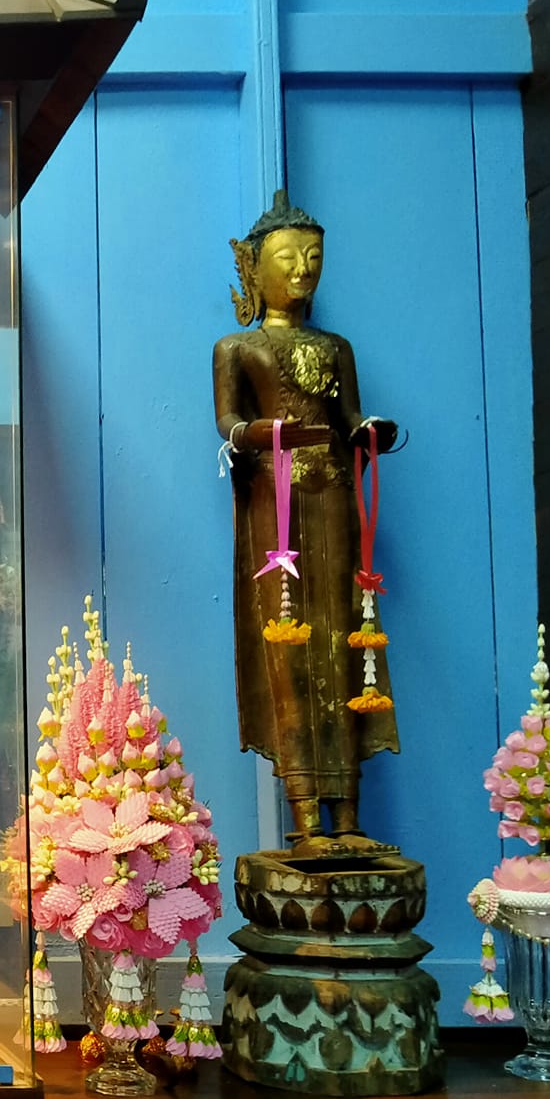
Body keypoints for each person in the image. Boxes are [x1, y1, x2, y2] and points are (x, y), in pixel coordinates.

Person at [213, 190, 398, 847]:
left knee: (344, 640)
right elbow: (228, 422)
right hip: (276, 501)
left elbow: (347, 418)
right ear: (254, 268)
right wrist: (256, 434)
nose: (302, 270)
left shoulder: (336, 347)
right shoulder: (237, 348)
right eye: (288, 257)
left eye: (313, 258)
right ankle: (303, 817)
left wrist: (370, 431)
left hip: (332, 498)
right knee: (289, 646)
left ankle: (347, 816)